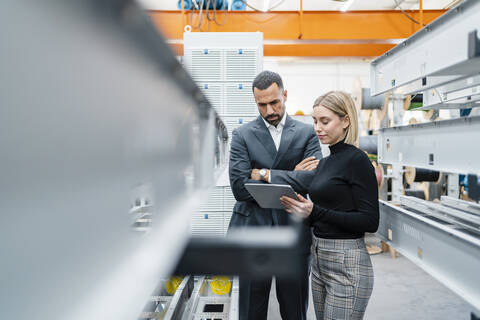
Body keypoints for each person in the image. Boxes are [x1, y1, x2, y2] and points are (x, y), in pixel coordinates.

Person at [253, 91, 379, 320]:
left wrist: (314, 211)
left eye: (325, 121)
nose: (318, 128)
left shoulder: (357, 160)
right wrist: (302, 211)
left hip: (346, 262)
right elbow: (323, 212)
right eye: (314, 121)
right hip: (319, 260)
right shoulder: (324, 163)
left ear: (345, 121)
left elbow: (370, 221)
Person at [228, 70, 322, 320]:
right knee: (251, 310)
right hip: (252, 232)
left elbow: (313, 180)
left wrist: (264, 174)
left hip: (292, 233)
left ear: (285, 95)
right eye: (262, 104)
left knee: (294, 310)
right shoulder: (242, 135)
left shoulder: (306, 133)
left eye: (274, 102)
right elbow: (239, 187)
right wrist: (292, 174)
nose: (269, 110)